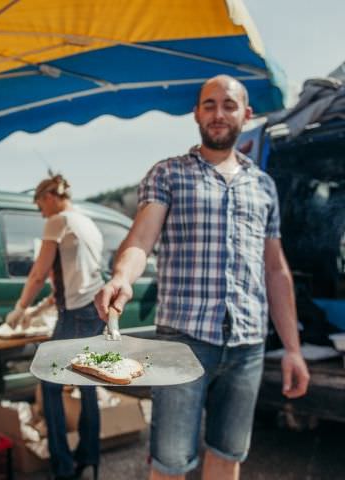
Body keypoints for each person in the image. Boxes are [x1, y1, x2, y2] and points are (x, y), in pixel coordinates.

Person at [95, 75, 310, 480]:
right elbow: (142, 237)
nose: (218, 113)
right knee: (170, 463)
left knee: (228, 454)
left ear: (246, 114)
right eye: (209, 104)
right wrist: (122, 276)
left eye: (228, 105)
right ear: (196, 113)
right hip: (183, 341)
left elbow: (276, 270)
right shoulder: (168, 173)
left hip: (247, 344)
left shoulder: (263, 186)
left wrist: (294, 350)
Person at [6, 174, 105, 480]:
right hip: (93, 310)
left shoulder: (58, 220)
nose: (41, 213)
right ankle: (89, 457)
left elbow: (39, 271)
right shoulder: (87, 222)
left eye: (39, 205)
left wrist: (20, 308)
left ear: (50, 197)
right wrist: (43, 306)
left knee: (49, 385)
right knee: (88, 387)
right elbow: (77, 276)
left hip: (74, 315)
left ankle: (62, 466)